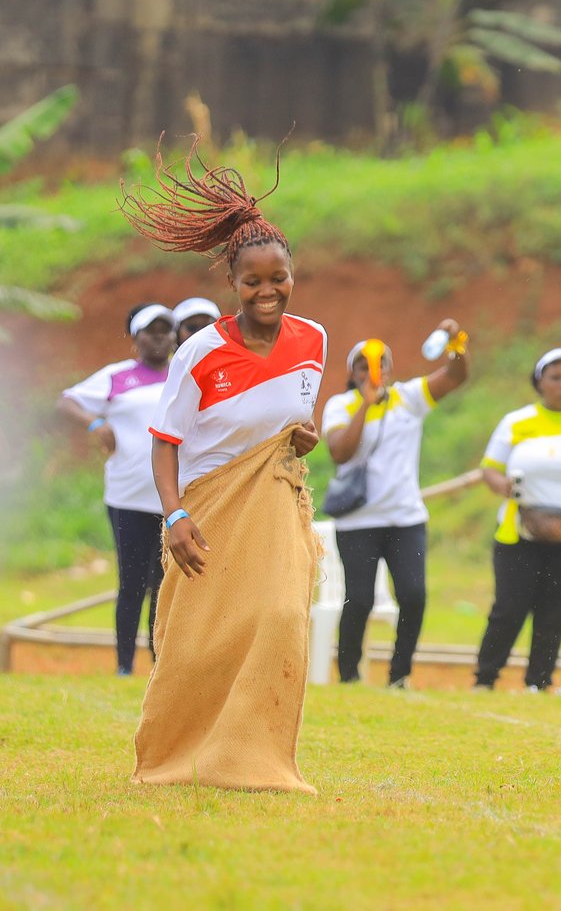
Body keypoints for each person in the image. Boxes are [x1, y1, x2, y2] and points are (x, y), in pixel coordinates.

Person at [118, 138, 327, 793]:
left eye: (279, 279)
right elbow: (165, 440)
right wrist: (174, 513)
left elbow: (287, 427)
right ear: (233, 285)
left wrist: (301, 442)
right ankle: (170, 759)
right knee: (200, 638)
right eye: (253, 282)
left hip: (276, 503)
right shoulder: (201, 352)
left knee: (283, 618)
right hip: (206, 508)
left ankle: (255, 760)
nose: (268, 291)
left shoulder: (313, 341)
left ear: (292, 276)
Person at [322, 324, 470, 688]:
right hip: (358, 522)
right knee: (358, 600)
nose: (371, 371)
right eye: (362, 366)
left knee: (413, 596)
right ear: (352, 373)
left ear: (389, 369)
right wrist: (366, 405)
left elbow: (455, 376)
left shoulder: (410, 397)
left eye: (379, 364)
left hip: (405, 518)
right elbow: (340, 451)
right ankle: (350, 675)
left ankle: (399, 675)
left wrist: (457, 342)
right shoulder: (340, 405)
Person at [474, 348, 561, 693]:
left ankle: (539, 681)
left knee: (555, 611)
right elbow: (489, 470)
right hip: (520, 530)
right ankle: (486, 678)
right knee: (509, 607)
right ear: (540, 382)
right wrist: (503, 485)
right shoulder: (517, 421)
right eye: (556, 378)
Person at [59, 303, 175, 675]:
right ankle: (124, 665)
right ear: (135, 338)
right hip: (127, 498)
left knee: (165, 584)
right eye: (151, 330)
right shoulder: (117, 377)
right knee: (131, 583)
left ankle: (160, 664)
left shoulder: (183, 377)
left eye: (166, 329)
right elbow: (68, 400)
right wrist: (95, 425)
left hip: (173, 499)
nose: (159, 336)